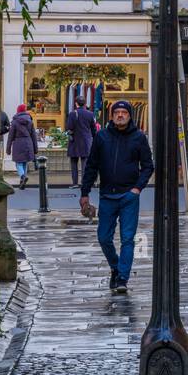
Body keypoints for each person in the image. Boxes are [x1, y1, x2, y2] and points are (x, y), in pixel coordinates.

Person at [80, 100, 154, 294]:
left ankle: (122, 278)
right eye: (117, 112)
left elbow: (148, 166)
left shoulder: (139, 137)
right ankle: (115, 267)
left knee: (128, 239)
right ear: (111, 116)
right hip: (107, 196)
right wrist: (84, 193)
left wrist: (137, 188)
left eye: (124, 112)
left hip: (129, 196)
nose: (120, 115)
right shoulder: (102, 137)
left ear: (130, 116)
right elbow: (91, 166)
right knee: (104, 237)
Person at [65, 95, 97, 188]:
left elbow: (69, 127)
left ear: (76, 103)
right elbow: (93, 129)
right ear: (85, 104)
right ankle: (84, 182)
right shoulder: (90, 114)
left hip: (74, 141)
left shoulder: (72, 114)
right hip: (86, 141)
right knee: (85, 163)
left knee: (74, 163)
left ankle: (75, 183)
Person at [6, 104, 39, 189]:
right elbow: (34, 136)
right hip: (28, 143)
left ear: (18, 111)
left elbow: (11, 136)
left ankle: (22, 177)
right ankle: (22, 183)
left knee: (18, 163)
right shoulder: (30, 120)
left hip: (18, 143)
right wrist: (35, 148)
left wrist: (8, 148)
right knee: (24, 162)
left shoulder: (15, 122)